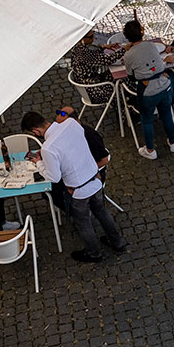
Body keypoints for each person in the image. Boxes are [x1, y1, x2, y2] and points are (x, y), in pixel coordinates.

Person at [22, 109, 126, 263]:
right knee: (102, 212)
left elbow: (54, 177)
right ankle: (117, 242)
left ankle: (94, 253)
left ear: (35, 131)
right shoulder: (71, 123)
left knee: (83, 223)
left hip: (79, 191)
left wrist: (39, 163)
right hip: (95, 179)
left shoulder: (48, 148)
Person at [118, 18, 174, 159]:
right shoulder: (151, 45)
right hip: (164, 85)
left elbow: (131, 76)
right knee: (166, 114)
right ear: (142, 32)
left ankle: (150, 150)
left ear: (126, 36)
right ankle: (173, 142)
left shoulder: (128, 55)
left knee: (146, 119)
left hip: (147, 90)